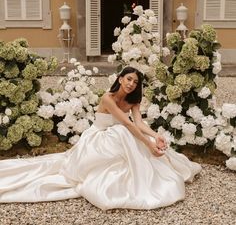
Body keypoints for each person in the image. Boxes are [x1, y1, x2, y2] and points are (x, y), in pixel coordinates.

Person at [0, 66, 201, 210]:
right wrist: (148, 146)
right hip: (99, 137)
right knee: (123, 132)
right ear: (120, 79)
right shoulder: (108, 98)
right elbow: (128, 124)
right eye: (128, 79)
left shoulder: (134, 99)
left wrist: (156, 136)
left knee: (127, 134)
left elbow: (139, 123)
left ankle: (141, 175)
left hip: (121, 135)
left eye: (136, 82)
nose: (131, 84)